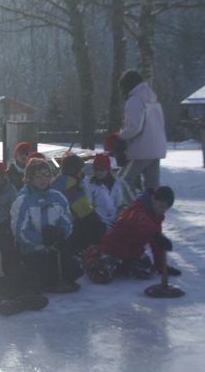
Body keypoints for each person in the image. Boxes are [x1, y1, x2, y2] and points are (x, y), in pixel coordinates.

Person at [10, 157, 83, 293]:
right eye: (38, 176)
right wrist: (42, 239)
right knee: (44, 276)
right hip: (32, 250)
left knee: (74, 270)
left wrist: (61, 233)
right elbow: (20, 232)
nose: (43, 179)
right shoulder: (23, 200)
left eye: (46, 175)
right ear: (29, 178)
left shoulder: (58, 197)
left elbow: (67, 220)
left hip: (55, 247)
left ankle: (57, 278)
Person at [83, 186, 180, 284]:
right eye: (161, 206)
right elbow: (140, 220)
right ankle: (93, 254)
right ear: (153, 198)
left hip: (133, 252)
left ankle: (120, 265)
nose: (163, 211)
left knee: (147, 271)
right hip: (114, 248)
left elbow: (156, 243)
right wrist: (156, 234)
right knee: (101, 276)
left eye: (166, 208)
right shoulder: (137, 208)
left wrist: (161, 266)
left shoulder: (157, 216)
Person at [114, 70, 168, 200]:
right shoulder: (151, 97)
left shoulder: (135, 100)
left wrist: (120, 136)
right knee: (152, 186)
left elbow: (134, 127)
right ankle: (151, 209)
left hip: (142, 148)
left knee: (122, 180)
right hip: (157, 148)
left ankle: (135, 206)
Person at [51, 153, 106, 256]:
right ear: (77, 170)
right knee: (99, 226)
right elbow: (84, 211)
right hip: (66, 226)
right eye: (81, 170)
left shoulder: (57, 181)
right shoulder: (72, 184)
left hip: (54, 222)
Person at [86, 152, 124, 227]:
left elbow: (120, 203)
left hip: (115, 219)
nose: (98, 172)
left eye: (102, 170)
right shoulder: (90, 185)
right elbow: (89, 205)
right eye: (96, 169)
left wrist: (120, 213)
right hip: (99, 221)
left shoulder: (116, 184)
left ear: (108, 170)